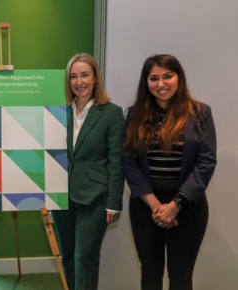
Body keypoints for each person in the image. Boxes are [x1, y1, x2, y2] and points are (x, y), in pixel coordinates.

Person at [122, 54, 217, 290]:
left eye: (167, 76)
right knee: (150, 273)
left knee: (181, 275)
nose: (161, 84)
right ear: (147, 83)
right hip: (146, 207)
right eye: (153, 78)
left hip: (187, 207)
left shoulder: (200, 112)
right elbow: (128, 160)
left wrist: (175, 205)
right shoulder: (135, 114)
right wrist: (155, 206)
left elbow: (206, 162)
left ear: (179, 78)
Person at [52, 53, 125, 290]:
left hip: (95, 197)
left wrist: (114, 202)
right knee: (68, 258)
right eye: (73, 76)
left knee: (85, 257)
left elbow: (117, 160)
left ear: (95, 78)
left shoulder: (112, 113)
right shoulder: (58, 111)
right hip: (62, 195)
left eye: (85, 75)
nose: (79, 82)